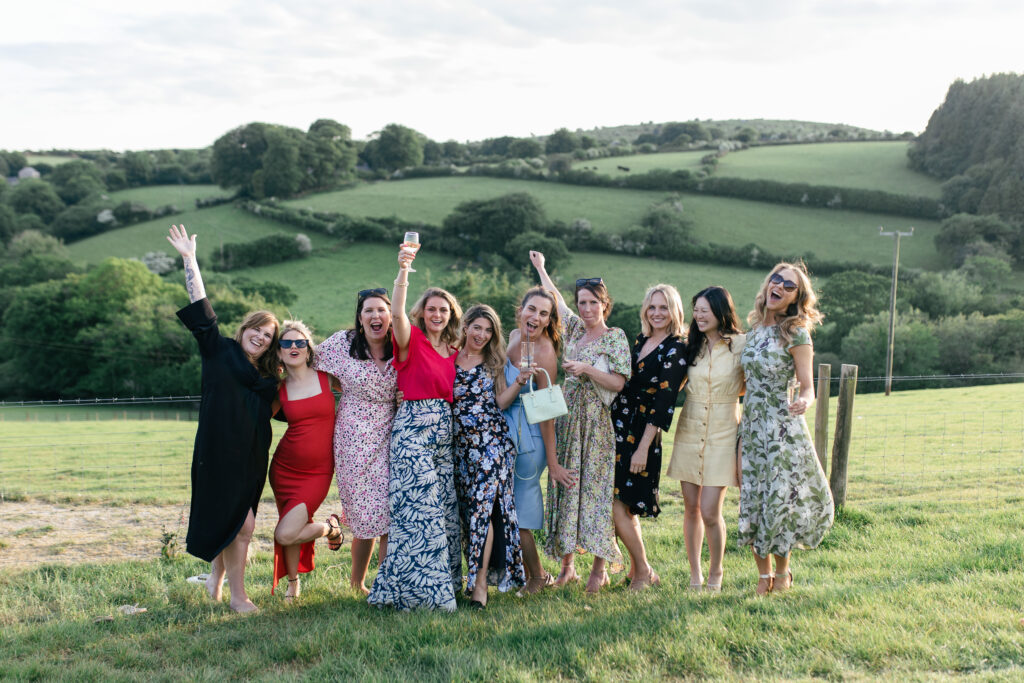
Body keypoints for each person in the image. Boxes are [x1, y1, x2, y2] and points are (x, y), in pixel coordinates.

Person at [166, 224, 279, 613]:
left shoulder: (267, 378)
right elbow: (201, 306)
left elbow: (287, 406)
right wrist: (189, 259)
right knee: (242, 526)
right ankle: (238, 597)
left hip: (250, 462)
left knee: (234, 524)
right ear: (245, 329)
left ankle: (216, 578)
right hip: (216, 455)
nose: (262, 338)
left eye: (269, 336)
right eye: (258, 330)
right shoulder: (219, 351)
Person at [367, 244, 462, 611]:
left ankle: (439, 587)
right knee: (420, 516)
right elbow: (396, 311)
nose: (437, 314)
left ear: (451, 314)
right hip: (413, 436)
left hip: (443, 437)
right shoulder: (411, 341)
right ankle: (426, 599)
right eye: (431, 308)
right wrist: (403, 271)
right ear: (422, 313)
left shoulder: (452, 351)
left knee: (444, 514)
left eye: (444, 309)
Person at [531, 251, 631, 594]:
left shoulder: (615, 336)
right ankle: (568, 567)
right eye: (582, 303)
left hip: (596, 425)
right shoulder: (573, 329)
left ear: (605, 304)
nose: (586, 309)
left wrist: (586, 369)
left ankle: (598, 570)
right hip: (567, 419)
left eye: (592, 303)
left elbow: (619, 383)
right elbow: (556, 302)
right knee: (566, 488)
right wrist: (542, 269)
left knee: (595, 493)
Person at [738, 262, 834, 595]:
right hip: (751, 429)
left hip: (782, 429)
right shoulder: (751, 332)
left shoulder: (796, 333)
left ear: (796, 298)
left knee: (779, 502)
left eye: (788, 286)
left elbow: (808, 386)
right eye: (776, 280)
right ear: (767, 285)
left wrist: (805, 401)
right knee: (755, 499)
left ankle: (782, 573)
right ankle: (763, 577)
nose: (779, 286)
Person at [314, 288, 398, 595]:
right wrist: (337, 385)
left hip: (392, 434)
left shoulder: (401, 344)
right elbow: (309, 363)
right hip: (353, 437)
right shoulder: (343, 343)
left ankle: (387, 584)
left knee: (391, 513)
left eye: (381, 310)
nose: (375, 316)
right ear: (360, 317)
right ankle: (357, 583)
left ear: (391, 315)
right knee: (365, 515)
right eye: (368, 311)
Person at [666, 286, 746, 592]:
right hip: (690, 428)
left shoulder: (741, 344)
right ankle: (695, 575)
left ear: (720, 311)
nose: (699, 316)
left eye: (705, 310)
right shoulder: (691, 346)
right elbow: (672, 383)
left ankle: (717, 571)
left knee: (711, 509)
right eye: (695, 310)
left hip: (724, 431)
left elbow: (748, 386)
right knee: (691, 508)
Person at [610, 285, 688, 591]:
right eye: (652, 307)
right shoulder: (642, 340)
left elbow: (663, 403)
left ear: (674, 311)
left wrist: (642, 448)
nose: (657, 313)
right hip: (620, 427)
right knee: (623, 505)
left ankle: (643, 571)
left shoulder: (675, 348)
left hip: (642, 434)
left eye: (664, 308)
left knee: (619, 505)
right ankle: (637, 569)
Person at [453, 305, 528, 607]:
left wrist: (519, 382)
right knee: (467, 513)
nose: (482, 335)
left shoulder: (495, 361)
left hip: (491, 445)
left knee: (484, 511)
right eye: (477, 328)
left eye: (488, 330)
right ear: (466, 327)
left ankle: (480, 584)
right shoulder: (450, 357)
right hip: (458, 447)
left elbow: (500, 402)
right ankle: (467, 576)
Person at [502, 286, 573, 596]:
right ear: (522, 310)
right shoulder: (514, 337)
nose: (536, 317)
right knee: (504, 508)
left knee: (520, 513)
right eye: (532, 309)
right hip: (504, 428)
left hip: (530, 438)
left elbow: (548, 415)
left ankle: (537, 577)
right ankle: (518, 572)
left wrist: (553, 462)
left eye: (544, 313)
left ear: (548, 320)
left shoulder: (545, 353)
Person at [268, 320, 341, 601]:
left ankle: (331, 528)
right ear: (279, 352)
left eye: (300, 342)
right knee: (290, 524)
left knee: (286, 533)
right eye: (286, 343)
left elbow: (363, 396)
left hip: (318, 472)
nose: (294, 347)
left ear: (309, 349)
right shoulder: (280, 389)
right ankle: (293, 584)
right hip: (284, 469)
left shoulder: (328, 378)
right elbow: (257, 418)